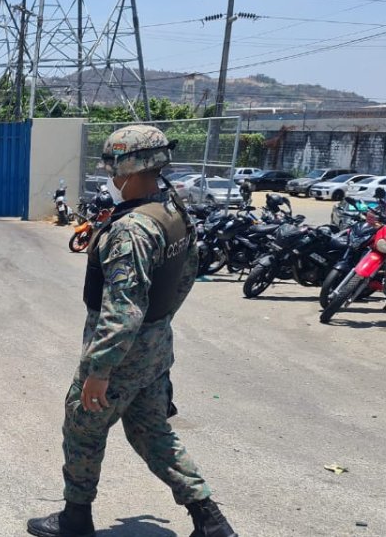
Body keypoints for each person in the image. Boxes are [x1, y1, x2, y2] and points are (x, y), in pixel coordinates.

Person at [27, 125, 237, 537]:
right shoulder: (172, 211)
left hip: (122, 355)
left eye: (112, 167)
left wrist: (100, 369)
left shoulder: (132, 230)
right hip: (155, 350)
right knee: (151, 432)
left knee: (82, 427)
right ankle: (209, 520)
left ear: (128, 167)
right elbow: (186, 276)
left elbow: (123, 309)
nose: (111, 176)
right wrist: (160, 328)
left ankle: (75, 518)